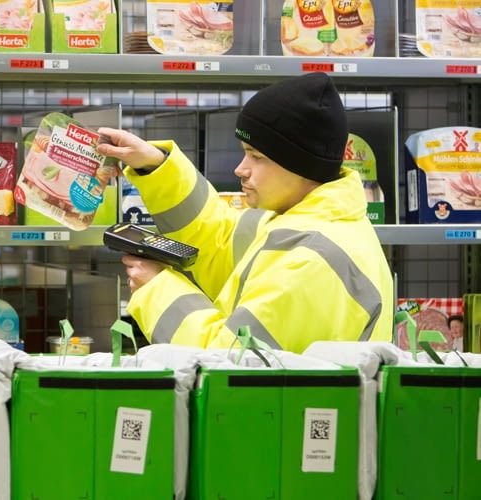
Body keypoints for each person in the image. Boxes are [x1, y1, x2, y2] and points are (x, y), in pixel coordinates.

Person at [96, 72, 394, 353]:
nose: (241, 168)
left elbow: (231, 361)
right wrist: (156, 165)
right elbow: (219, 242)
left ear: (300, 165)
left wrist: (155, 289)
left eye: (256, 156)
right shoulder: (297, 221)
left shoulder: (313, 260)